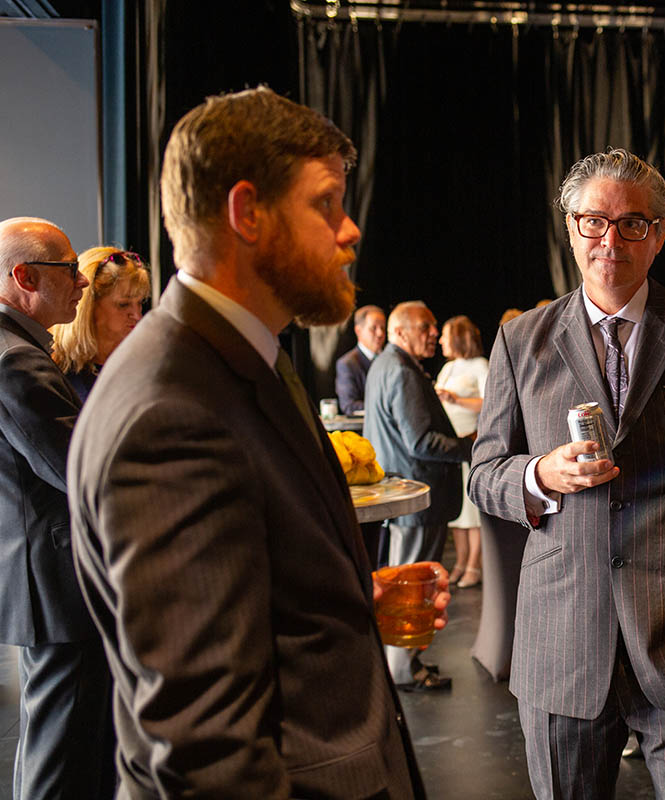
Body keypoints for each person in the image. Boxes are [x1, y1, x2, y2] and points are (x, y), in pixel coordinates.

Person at [68, 87, 446, 798]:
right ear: (248, 213)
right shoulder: (170, 412)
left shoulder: (246, 357)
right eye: (328, 203)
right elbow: (208, 755)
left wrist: (349, 599)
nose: (351, 228)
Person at [469, 148, 665, 799]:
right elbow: (485, 475)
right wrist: (540, 474)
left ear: (659, 233)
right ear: (571, 228)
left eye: (632, 223)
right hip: (562, 648)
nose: (610, 240)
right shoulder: (521, 340)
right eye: (593, 222)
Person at [0, 217, 114, 799]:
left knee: (64, 744)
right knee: (59, 755)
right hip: (56, 580)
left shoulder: (20, 350)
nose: (80, 281)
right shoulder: (13, 359)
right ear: (23, 276)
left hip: (49, 575)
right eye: (67, 269)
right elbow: (80, 469)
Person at [365, 301, 472, 691]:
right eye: (425, 326)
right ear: (400, 332)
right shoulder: (403, 372)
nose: (433, 332)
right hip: (417, 495)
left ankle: (404, 664)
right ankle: (403, 671)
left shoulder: (383, 364)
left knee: (402, 583)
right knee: (411, 588)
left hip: (404, 495)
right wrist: (470, 447)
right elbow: (421, 442)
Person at [50, 247, 150, 402]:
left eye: (140, 303)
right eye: (123, 304)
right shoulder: (55, 374)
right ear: (88, 307)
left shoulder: (144, 362)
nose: (137, 315)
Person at [434, 315, 488, 588]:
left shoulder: (479, 365)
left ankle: (474, 566)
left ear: (457, 337)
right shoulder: (448, 368)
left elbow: (491, 401)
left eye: (444, 334)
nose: (441, 340)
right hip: (451, 449)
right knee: (458, 514)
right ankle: (460, 562)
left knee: (472, 513)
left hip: (470, 445)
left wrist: (456, 399)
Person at [335, 303, 386, 413]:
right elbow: (349, 405)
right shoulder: (347, 363)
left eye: (383, 328)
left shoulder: (390, 360)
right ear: (358, 331)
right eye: (373, 328)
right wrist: (386, 408)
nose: (380, 333)